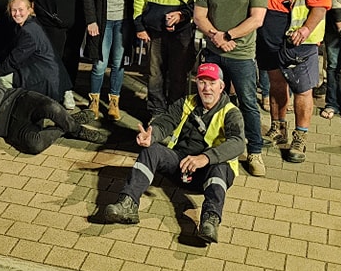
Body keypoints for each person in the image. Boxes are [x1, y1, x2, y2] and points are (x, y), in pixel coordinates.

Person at [100, 63, 244, 245]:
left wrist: (205, 158)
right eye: (202, 82)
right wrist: (151, 135)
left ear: (221, 86)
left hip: (207, 172)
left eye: (212, 83)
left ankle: (210, 221)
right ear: (196, 83)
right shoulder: (186, 102)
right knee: (151, 150)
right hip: (182, 165)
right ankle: (127, 204)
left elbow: (238, 142)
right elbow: (166, 122)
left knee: (220, 168)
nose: (206, 88)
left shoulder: (231, 113)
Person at [253, 0, 332, 163]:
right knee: (276, 84)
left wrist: (305, 29)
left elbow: (321, 5)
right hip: (268, 38)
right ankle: (278, 128)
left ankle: (300, 137)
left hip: (298, 40)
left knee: (302, 89)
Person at [192, 0, 268, 177]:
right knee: (208, 101)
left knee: (248, 103)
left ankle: (254, 151)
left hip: (241, 56)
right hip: (214, 54)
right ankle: (209, 144)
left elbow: (257, 19)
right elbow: (199, 16)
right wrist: (217, 37)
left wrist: (228, 35)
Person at [82, 0, 138, 120]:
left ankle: (114, 102)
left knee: (118, 63)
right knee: (99, 64)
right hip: (102, 22)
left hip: (123, 21)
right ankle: (94, 101)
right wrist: (91, 20)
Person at [0, 0, 71, 104]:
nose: (17, 14)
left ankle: (13, 106)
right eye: (14, 10)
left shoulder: (28, 31)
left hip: (43, 76)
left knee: (1, 80)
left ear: (29, 10)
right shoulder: (27, 24)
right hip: (41, 70)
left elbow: (13, 60)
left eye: (20, 10)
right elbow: (7, 49)